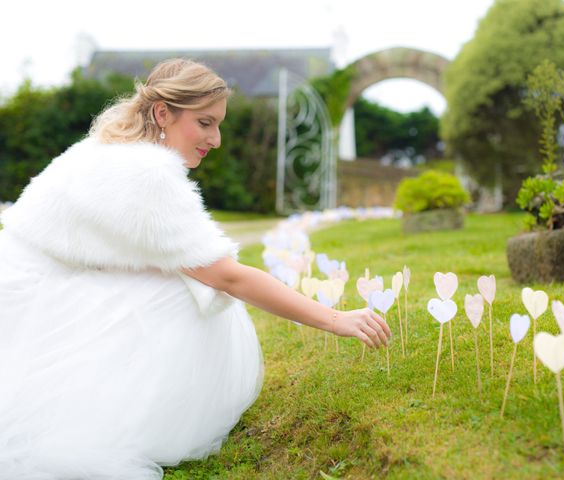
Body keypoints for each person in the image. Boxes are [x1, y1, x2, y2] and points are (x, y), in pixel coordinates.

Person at [0, 58, 391, 479]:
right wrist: (334, 319)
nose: (216, 139)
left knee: (186, 282)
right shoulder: (146, 174)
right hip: (28, 305)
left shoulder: (107, 149)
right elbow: (228, 275)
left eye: (218, 124)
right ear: (162, 112)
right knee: (183, 297)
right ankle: (118, 415)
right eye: (205, 123)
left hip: (21, 289)